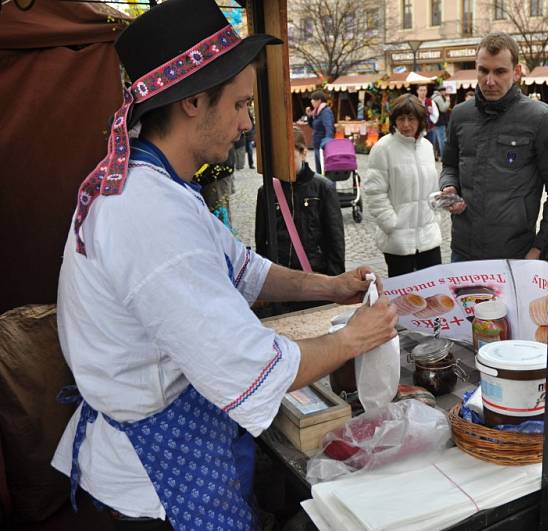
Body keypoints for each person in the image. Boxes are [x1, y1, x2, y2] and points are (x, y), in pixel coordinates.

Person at [52, 2, 397, 529]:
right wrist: (355, 338)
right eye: (239, 104)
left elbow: (243, 269)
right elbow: (249, 364)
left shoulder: (159, 182)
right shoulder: (150, 216)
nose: (246, 123)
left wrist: (332, 286)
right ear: (193, 102)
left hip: (171, 439)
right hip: (151, 483)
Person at [440, 32, 548, 261]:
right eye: (483, 70)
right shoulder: (461, 115)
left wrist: (539, 247)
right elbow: (449, 166)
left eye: (500, 71)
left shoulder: (540, 118)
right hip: (463, 250)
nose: (489, 81)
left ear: (517, 72)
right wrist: (449, 186)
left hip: (515, 252)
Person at [255, 127, 345, 292]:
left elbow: (335, 241)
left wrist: (336, 284)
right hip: (280, 279)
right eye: (279, 158)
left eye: (290, 157)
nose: (283, 164)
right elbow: (261, 241)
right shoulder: (266, 192)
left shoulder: (323, 188)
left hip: (315, 277)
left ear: (303, 153)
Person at [364, 94, 442, 277]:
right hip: (398, 241)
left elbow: (431, 189)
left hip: (428, 237)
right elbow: (375, 193)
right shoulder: (383, 148)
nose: (406, 124)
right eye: (401, 119)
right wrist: (391, 224)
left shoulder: (427, 148)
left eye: (411, 118)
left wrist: (435, 215)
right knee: (402, 299)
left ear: (420, 120)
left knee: (433, 295)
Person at [306, 90, 334, 173]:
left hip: (323, 147)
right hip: (317, 145)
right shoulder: (317, 112)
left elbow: (329, 128)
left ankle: (328, 186)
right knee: (319, 170)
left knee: (325, 170)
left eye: (313, 99)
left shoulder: (325, 111)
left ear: (319, 100)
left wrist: (326, 143)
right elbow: (312, 126)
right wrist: (309, 116)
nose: (311, 101)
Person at [430, 85, 450, 159]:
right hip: (440, 121)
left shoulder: (433, 97)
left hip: (434, 121)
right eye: (444, 91)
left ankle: (435, 155)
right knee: (442, 140)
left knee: (435, 140)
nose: (445, 93)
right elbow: (443, 108)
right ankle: (444, 157)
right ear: (442, 91)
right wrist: (448, 101)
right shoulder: (439, 98)